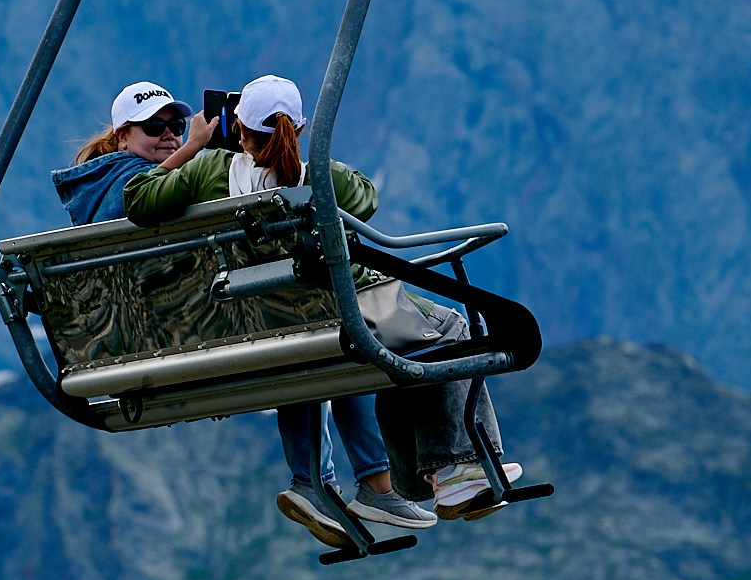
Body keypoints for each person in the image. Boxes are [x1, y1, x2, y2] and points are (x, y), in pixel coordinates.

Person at [122, 75, 519, 537]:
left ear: (239, 130)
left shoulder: (208, 172)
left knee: (412, 342)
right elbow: (366, 198)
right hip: (345, 319)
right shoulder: (320, 176)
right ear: (301, 127)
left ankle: (419, 478)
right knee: (450, 329)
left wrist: (194, 146)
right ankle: (452, 470)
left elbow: (139, 199)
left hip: (262, 326)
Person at [50, 81, 196, 226]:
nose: (169, 134)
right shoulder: (129, 179)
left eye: (176, 125)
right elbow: (148, 187)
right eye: (154, 126)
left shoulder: (105, 179)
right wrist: (193, 146)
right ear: (123, 137)